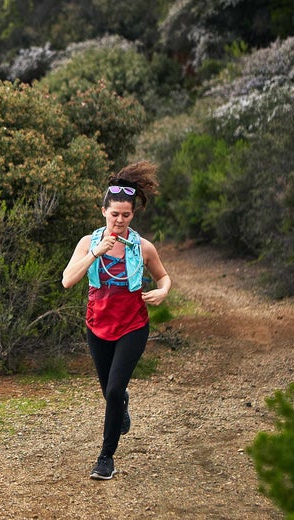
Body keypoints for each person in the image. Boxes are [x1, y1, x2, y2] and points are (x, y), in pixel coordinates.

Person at [61, 160, 171, 480]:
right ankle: (121, 404)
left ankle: (105, 458)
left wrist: (163, 291)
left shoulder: (143, 247)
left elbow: (164, 279)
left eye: (126, 215)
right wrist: (96, 251)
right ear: (103, 212)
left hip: (133, 325)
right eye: (114, 214)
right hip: (98, 325)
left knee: (113, 389)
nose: (120, 220)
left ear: (132, 215)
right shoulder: (87, 243)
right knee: (110, 391)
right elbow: (68, 280)